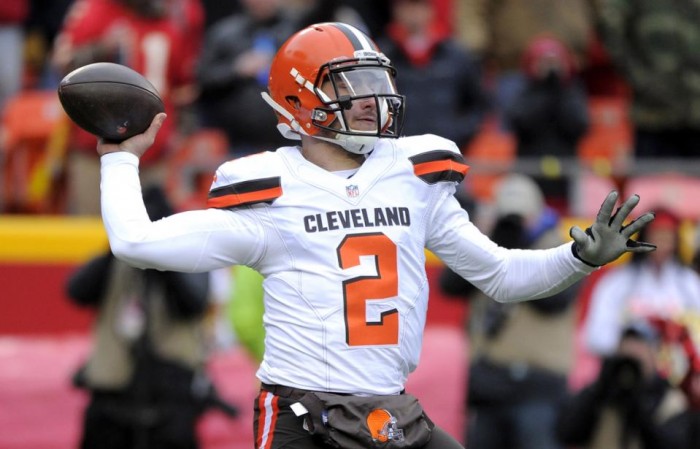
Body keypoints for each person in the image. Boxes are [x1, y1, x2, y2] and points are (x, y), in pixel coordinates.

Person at [93, 22, 656, 449]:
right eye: (350, 85)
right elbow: (135, 242)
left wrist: (579, 257)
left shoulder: (411, 177)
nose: (370, 99)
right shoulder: (270, 193)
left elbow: (504, 276)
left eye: (373, 82)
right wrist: (120, 159)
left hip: (392, 413)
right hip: (302, 420)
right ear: (300, 100)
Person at [66, 186, 238, 449]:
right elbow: (76, 292)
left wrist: (160, 254)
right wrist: (121, 245)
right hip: (112, 397)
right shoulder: (116, 260)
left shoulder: (186, 258)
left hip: (170, 402)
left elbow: (193, 302)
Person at [441, 174, 581, 449]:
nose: (514, 224)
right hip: (489, 384)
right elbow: (449, 286)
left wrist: (517, 252)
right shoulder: (488, 249)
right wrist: (488, 243)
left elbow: (555, 302)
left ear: (539, 215)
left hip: (538, 387)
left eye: (521, 217)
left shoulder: (559, 248)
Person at [51, 0, 202, 215]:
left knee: (151, 231)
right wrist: (101, 48)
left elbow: (186, 87)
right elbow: (63, 68)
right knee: (93, 232)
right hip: (95, 150)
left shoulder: (176, 14)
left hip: (154, 151)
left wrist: (180, 134)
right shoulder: (91, 10)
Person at [582, 208, 700, 357]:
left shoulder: (689, 283)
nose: (661, 244)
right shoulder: (619, 281)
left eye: (667, 237)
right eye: (657, 236)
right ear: (644, 238)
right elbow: (596, 335)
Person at [557, 320, 689, 449]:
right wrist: (598, 391)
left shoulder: (671, 400)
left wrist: (639, 406)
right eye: (626, 349)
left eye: (639, 350)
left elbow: (670, 443)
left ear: (654, 356)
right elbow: (566, 433)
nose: (632, 354)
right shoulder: (605, 389)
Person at [376, 0, 487, 151]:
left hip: (446, 150)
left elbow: (479, 103)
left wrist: (457, 132)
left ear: (431, 10)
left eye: (418, 5)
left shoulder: (456, 55)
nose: (413, 13)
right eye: (406, 6)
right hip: (397, 151)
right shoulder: (381, 56)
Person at [596, 0, 700, 159]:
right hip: (651, 113)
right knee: (648, 179)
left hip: (693, 112)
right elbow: (610, 29)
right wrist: (641, 78)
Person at [194, 0, 296, 157]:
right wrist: (236, 69)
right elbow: (202, 79)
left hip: (288, 140)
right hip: (235, 142)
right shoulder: (224, 33)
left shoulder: (295, 33)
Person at [505, 35, 590, 213]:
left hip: (565, 179)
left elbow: (579, 125)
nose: (551, 68)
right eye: (544, 62)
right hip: (529, 176)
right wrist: (544, 92)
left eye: (555, 62)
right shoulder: (523, 90)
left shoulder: (572, 91)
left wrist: (558, 89)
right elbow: (520, 122)